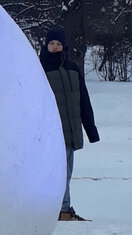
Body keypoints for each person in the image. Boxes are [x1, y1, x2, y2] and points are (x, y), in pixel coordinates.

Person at [40, 27, 99, 222]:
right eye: (51, 44)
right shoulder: (39, 68)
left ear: (64, 46)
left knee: (66, 172)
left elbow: (83, 100)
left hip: (70, 131)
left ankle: (61, 209)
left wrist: (91, 129)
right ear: (46, 45)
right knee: (59, 173)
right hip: (49, 132)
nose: (55, 47)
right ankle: (62, 210)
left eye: (58, 44)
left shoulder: (72, 68)